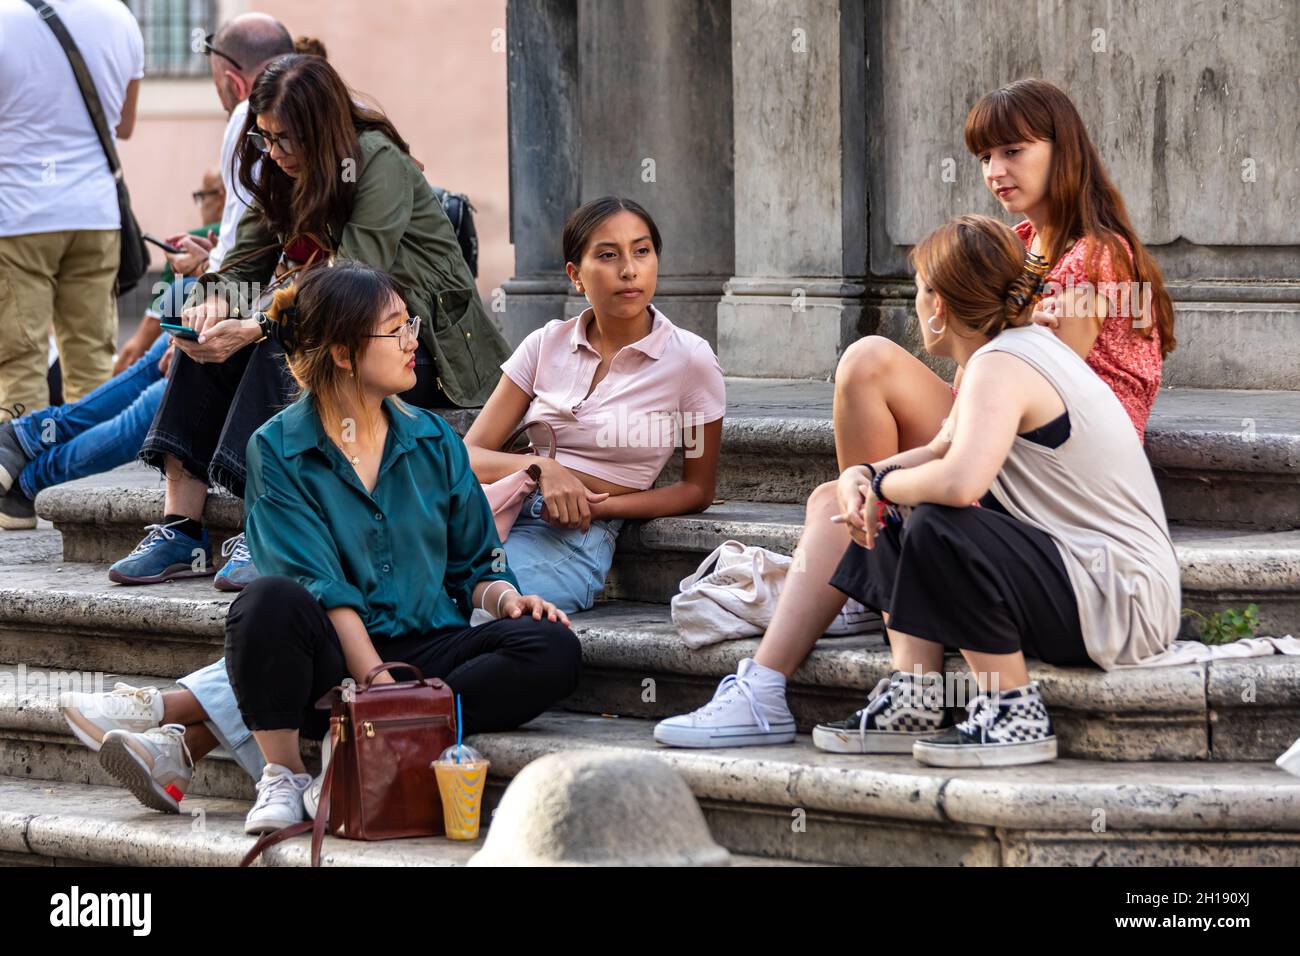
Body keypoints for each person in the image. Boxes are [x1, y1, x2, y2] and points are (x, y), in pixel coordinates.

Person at [653, 77, 1178, 749]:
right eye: (985, 156)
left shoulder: (1095, 256)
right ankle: (867, 612)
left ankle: (858, 602)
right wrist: (873, 480)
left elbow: (1048, 396)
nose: (995, 171)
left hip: (1058, 478)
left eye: (1014, 151)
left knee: (883, 447)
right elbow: (975, 402)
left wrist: (886, 483)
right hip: (1005, 450)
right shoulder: (1020, 244)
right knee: (851, 475)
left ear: (1063, 150)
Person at [61, 261, 579, 832]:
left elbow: (475, 566)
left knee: (551, 647)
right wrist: (375, 681)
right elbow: (319, 584)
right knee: (266, 605)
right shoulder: (277, 448)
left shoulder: (436, 442)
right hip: (326, 657)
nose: (414, 341)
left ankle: (344, 732)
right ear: (341, 352)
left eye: (411, 324)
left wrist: (507, 600)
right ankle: (284, 774)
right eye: (396, 329)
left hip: (428, 646)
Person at [111, 53, 511, 590]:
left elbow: (349, 280)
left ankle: (270, 530)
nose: (273, 153)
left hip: (417, 347)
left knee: (286, 342)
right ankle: (180, 529)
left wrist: (258, 325)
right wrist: (211, 300)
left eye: (285, 139)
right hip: (346, 329)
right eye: (264, 138)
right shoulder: (277, 170)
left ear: (320, 130)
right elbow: (242, 265)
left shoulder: (377, 162)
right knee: (207, 342)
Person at [463, 197, 725, 612]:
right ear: (575, 275)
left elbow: (696, 489)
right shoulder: (544, 343)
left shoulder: (690, 360)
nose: (629, 269)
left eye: (642, 251)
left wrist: (600, 507)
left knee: (481, 609)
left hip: (574, 536)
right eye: (608, 255)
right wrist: (545, 469)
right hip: (494, 509)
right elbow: (468, 455)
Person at [0, 172, 223, 528]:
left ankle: (26, 463)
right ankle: (24, 443)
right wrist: (214, 269)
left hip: (267, 335)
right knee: (148, 355)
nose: (272, 151)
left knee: (152, 401)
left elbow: (295, 290)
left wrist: (222, 317)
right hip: (88, 218)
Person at [0, 0, 143, 415]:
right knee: (91, 358)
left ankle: (20, 470)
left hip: (19, 214)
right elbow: (124, 125)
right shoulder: (120, 18)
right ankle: (91, 472)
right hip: (94, 214)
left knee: (20, 356)